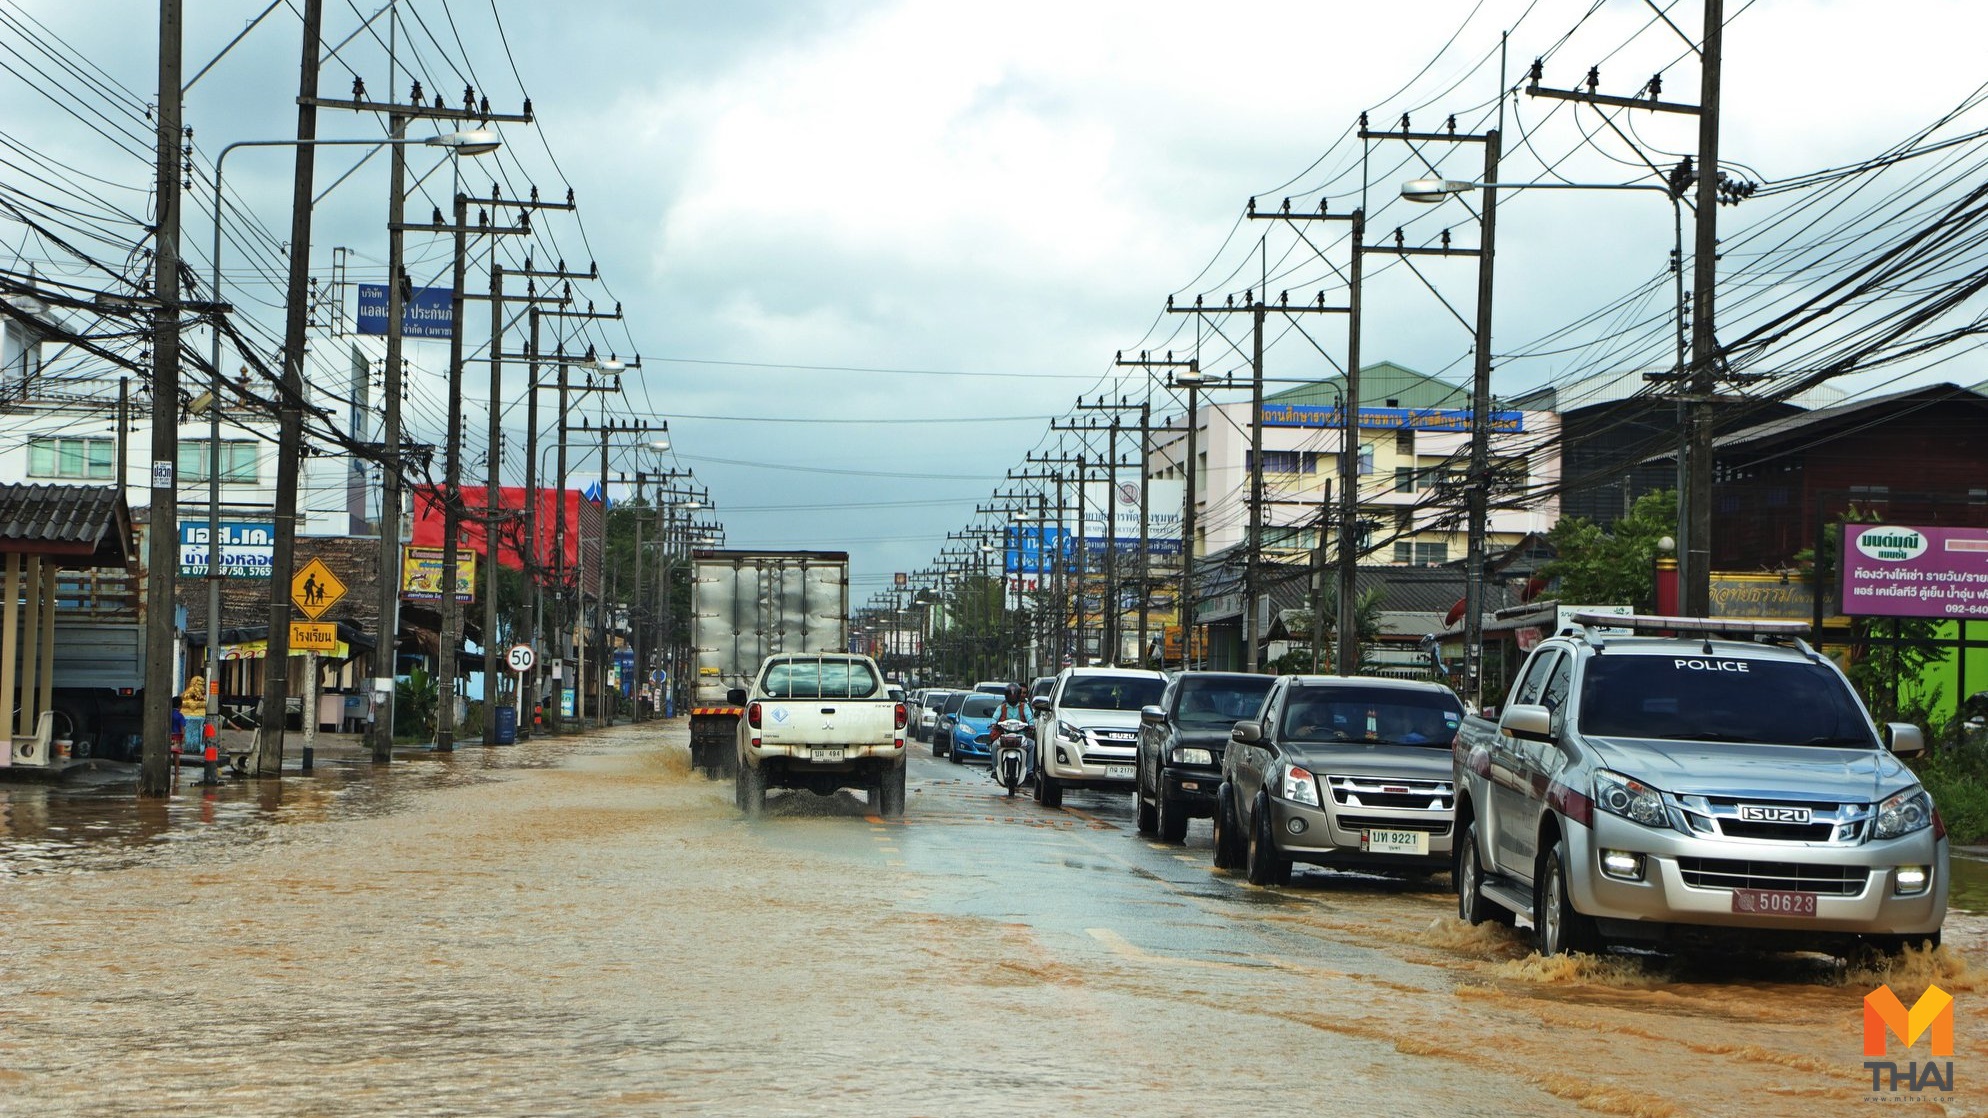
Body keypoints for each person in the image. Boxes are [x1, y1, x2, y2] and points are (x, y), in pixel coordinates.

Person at [991, 682, 1036, 782]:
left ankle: (1029, 771)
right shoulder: (1001, 707)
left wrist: (1031, 724)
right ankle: (994, 769)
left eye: (1014, 695)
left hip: (1021, 736)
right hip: (1004, 735)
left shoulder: (1024, 706)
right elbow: (994, 718)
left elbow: (1029, 717)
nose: (1012, 697)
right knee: (994, 746)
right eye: (1010, 695)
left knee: (1032, 745)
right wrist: (994, 723)